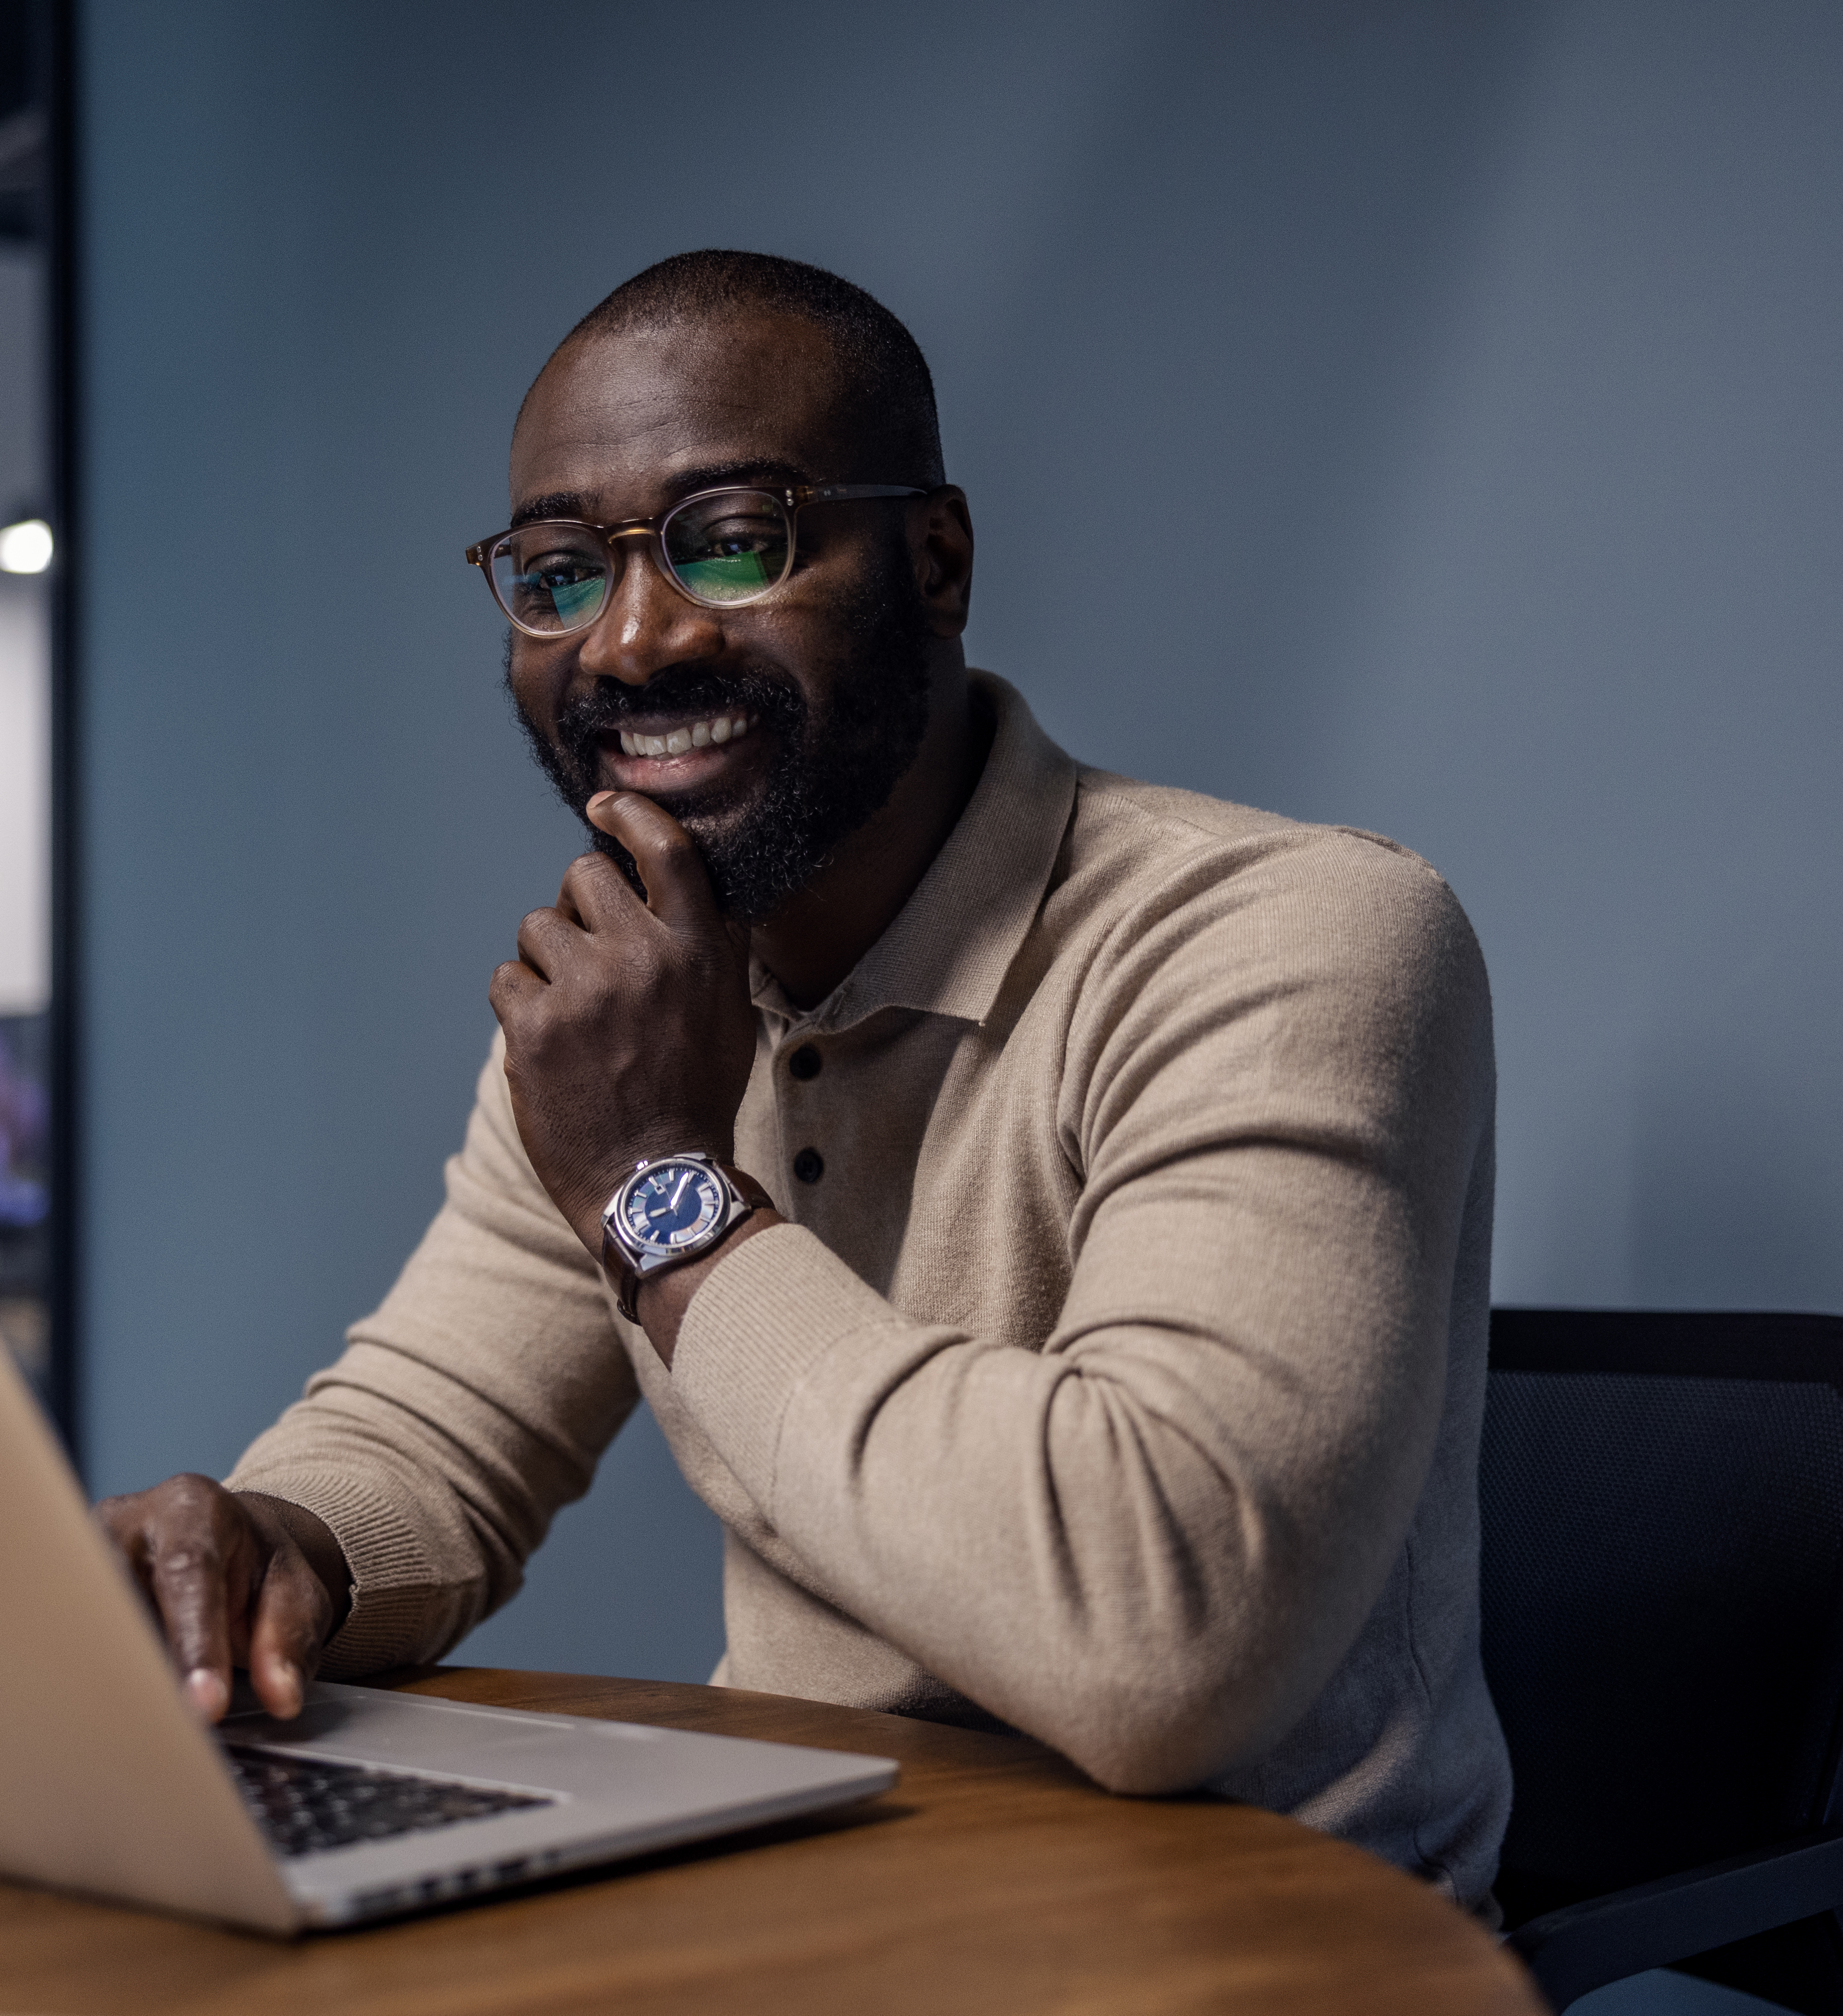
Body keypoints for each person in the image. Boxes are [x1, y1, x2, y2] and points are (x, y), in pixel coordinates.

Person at [99, 250, 1510, 1904]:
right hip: (816, 1908)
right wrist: (280, 1558)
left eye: (730, 540)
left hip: (1260, 1949)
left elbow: (1165, 1640)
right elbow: (435, 1438)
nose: (627, 642)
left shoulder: (1292, 935)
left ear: (934, 559)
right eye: (557, 573)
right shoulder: (639, 1002)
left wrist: (659, 1194)